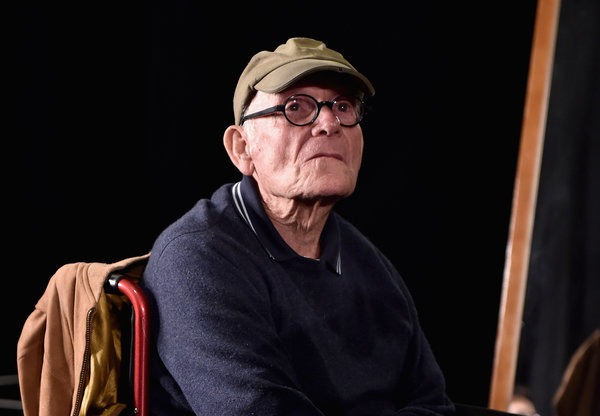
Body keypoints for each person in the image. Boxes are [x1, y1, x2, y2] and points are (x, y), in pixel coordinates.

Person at [141, 36, 455, 415]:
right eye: (296, 107)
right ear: (242, 149)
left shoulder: (370, 264)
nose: (329, 122)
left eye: (343, 107)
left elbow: (432, 403)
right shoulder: (198, 258)